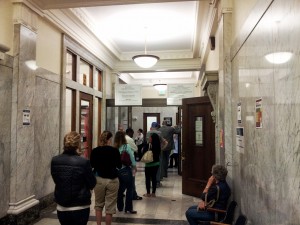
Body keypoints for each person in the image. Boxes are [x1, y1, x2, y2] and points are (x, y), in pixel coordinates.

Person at [51, 131, 96, 225]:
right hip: (80, 206)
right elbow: (92, 183)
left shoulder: (55, 160)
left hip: (62, 206)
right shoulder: (84, 162)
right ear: (78, 145)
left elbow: (56, 180)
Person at [90, 131, 122, 225]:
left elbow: (92, 165)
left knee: (98, 205)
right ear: (109, 140)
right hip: (112, 180)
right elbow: (119, 166)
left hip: (99, 179)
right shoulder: (115, 151)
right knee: (110, 207)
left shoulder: (95, 151)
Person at [114, 131, 137, 214]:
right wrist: (134, 166)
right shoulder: (126, 146)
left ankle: (120, 207)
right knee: (129, 189)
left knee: (120, 189)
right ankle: (128, 208)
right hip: (126, 170)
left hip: (117, 171)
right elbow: (131, 157)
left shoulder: (114, 148)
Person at [146, 122, 168, 187]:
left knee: (149, 166)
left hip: (149, 152)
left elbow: (147, 142)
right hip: (158, 152)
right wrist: (162, 148)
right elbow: (164, 142)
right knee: (158, 167)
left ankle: (149, 180)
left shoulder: (148, 133)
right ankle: (157, 181)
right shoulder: (159, 133)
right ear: (157, 127)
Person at [125, 128, 143, 201]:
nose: (133, 135)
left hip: (123, 163)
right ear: (129, 132)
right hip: (129, 162)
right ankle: (133, 195)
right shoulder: (129, 139)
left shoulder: (123, 138)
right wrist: (134, 165)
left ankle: (127, 193)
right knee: (132, 179)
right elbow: (135, 149)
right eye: (132, 133)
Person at [143, 133, 161, 198]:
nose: (149, 139)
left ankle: (148, 193)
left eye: (150, 138)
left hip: (148, 164)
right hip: (156, 164)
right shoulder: (158, 146)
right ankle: (153, 193)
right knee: (154, 178)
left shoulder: (149, 145)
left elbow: (143, 152)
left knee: (147, 178)